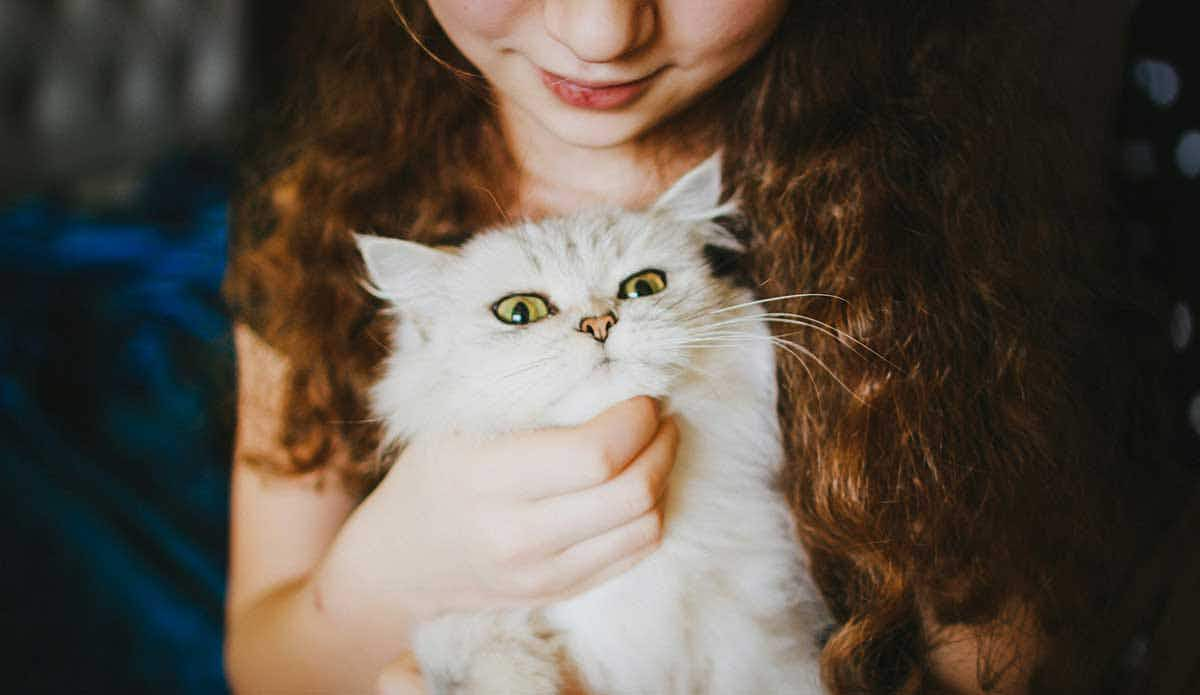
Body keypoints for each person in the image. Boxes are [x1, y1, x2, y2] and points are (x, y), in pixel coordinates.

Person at [222, 1, 1178, 693]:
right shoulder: (312, 216)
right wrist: (391, 569)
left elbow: (1007, 665)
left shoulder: (942, 224)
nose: (600, 30)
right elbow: (262, 664)